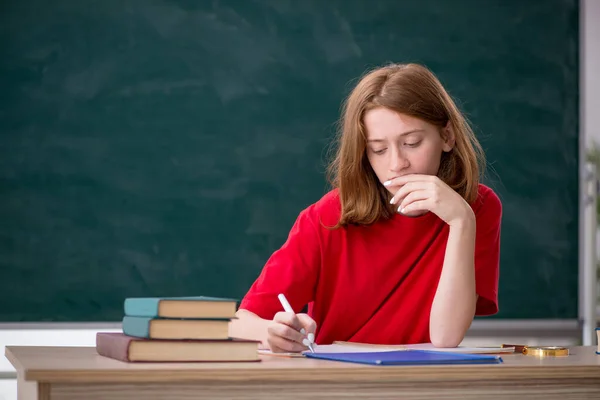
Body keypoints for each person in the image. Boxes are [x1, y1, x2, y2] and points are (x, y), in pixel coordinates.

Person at [229, 62, 502, 353]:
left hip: (424, 383)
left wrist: (461, 220)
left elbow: (446, 337)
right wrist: (270, 332)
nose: (397, 164)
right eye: (379, 149)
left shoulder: (476, 207)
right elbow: (238, 322)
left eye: (412, 142)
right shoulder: (328, 215)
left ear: (446, 137)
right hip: (340, 385)